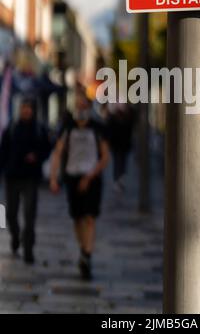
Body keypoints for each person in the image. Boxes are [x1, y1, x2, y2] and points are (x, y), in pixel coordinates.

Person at [50, 91, 109, 280]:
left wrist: (90, 176)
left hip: (92, 178)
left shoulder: (97, 128)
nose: (81, 109)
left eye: (84, 105)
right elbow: (58, 153)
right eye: (78, 105)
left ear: (89, 107)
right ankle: (83, 250)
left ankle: (87, 254)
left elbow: (105, 157)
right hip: (72, 177)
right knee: (77, 218)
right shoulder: (67, 127)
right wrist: (53, 177)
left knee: (90, 217)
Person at [0, 98, 51, 264]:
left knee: (30, 215)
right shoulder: (12, 128)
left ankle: (28, 248)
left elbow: (47, 148)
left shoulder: (39, 129)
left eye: (29, 108)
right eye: (24, 108)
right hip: (12, 177)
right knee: (10, 214)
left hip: (30, 178)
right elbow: (3, 151)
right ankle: (15, 236)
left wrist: (37, 156)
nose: (26, 111)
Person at [107, 103, 135, 193]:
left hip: (123, 145)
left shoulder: (127, 118)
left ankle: (120, 179)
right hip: (117, 145)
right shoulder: (114, 119)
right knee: (118, 162)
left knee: (121, 162)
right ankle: (118, 180)